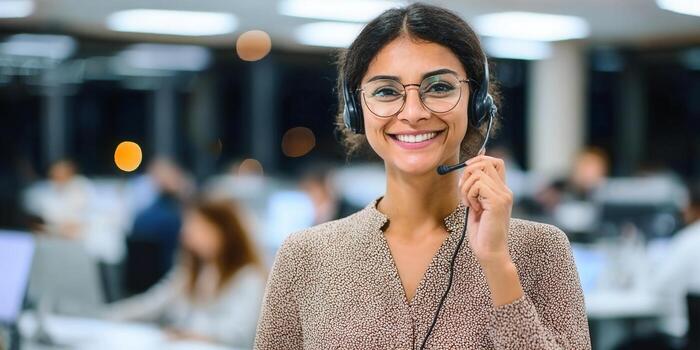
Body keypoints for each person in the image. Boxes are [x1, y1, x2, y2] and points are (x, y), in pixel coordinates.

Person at [255, 3, 590, 349]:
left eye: (439, 87)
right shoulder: (305, 256)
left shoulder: (541, 250)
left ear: (476, 102)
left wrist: (497, 265)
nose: (413, 112)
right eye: (386, 91)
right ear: (357, 111)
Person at [107, 200, 267, 348]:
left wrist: (188, 330)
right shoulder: (191, 271)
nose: (186, 233)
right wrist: (110, 314)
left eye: (197, 227)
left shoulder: (248, 277)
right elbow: (153, 302)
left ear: (222, 231)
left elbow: (237, 333)